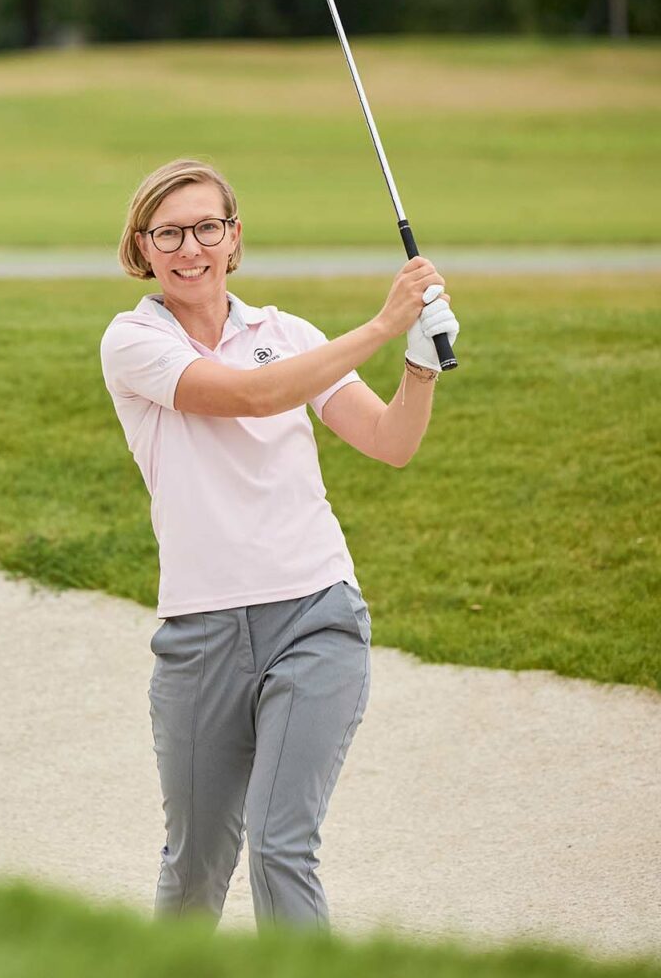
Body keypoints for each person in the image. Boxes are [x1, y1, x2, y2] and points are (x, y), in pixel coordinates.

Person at [98, 158, 459, 930]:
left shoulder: (285, 334)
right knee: (195, 863)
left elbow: (389, 442)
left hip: (315, 617)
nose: (189, 248)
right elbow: (251, 396)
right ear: (142, 245)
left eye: (206, 227)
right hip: (201, 634)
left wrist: (418, 361)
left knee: (280, 845)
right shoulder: (133, 341)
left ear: (234, 239)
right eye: (169, 232)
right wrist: (380, 324)